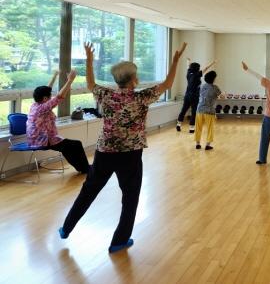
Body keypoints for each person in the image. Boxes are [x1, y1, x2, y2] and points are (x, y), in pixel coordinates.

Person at [59, 41, 187, 253]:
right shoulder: (142, 97)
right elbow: (167, 84)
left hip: (105, 151)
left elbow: (90, 84)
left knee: (89, 190)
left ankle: (66, 227)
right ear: (134, 80)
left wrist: (90, 61)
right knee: (130, 196)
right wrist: (174, 62)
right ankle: (119, 241)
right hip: (130, 153)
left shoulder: (106, 95)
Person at [27, 70, 90, 174]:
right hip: (42, 140)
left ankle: (83, 168)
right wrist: (70, 80)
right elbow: (59, 97)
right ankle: (85, 168)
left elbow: (46, 90)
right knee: (75, 144)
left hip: (38, 138)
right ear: (45, 98)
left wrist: (55, 75)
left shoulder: (36, 105)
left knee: (68, 147)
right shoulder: (42, 108)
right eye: (49, 96)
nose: (51, 97)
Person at [176, 59, 215, 134]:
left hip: (187, 95)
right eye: (199, 67)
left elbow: (188, 67)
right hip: (194, 96)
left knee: (183, 110)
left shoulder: (188, 74)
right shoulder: (197, 75)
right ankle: (191, 128)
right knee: (194, 112)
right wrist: (213, 62)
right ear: (197, 68)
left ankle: (178, 124)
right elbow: (206, 68)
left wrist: (188, 61)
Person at [194, 70, 226, 151]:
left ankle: (197, 144)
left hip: (199, 109)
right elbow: (222, 97)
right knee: (210, 128)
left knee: (198, 127)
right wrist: (225, 94)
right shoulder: (215, 88)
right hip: (209, 111)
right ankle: (207, 145)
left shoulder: (201, 86)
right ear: (213, 78)